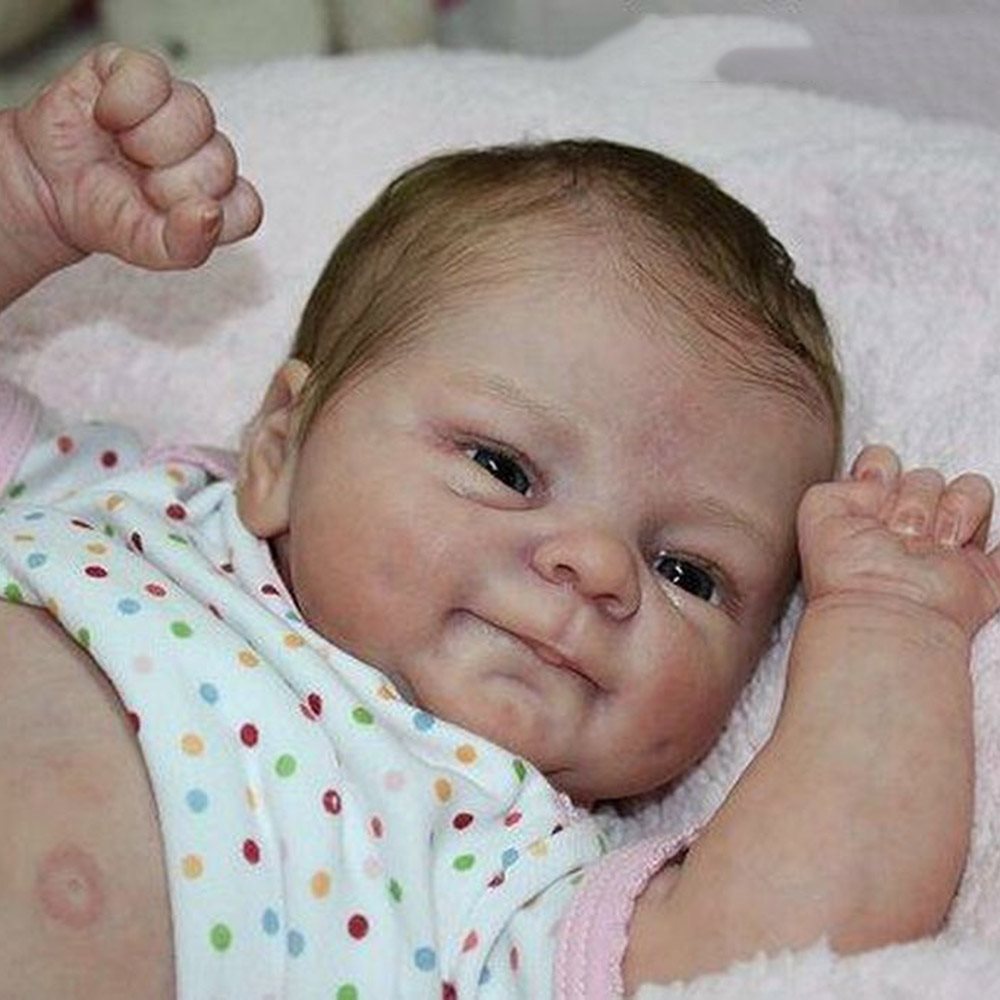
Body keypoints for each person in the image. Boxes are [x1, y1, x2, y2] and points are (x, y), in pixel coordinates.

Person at [0, 44, 997, 1000]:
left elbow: (789, 938)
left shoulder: (509, 871)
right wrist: (22, 207)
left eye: (687, 572)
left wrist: (889, 623)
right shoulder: (143, 503)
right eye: (503, 467)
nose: (597, 564)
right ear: (281, 448)